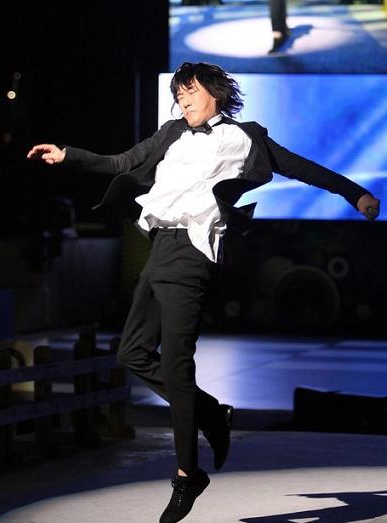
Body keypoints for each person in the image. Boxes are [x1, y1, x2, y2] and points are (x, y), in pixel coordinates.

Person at [27, 61, 380, 523]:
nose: (183, 100)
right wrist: (68, 155)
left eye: (189, 91)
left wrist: (356, 195)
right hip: (159, 247)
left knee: (176, 365)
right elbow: (122, 162)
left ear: (214, 92)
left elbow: (304, 169)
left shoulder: (246, 138)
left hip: (193, 253)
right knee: (131, 353)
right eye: (178, 94)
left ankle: (187, 473)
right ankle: (210, 413)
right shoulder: (171, 132)